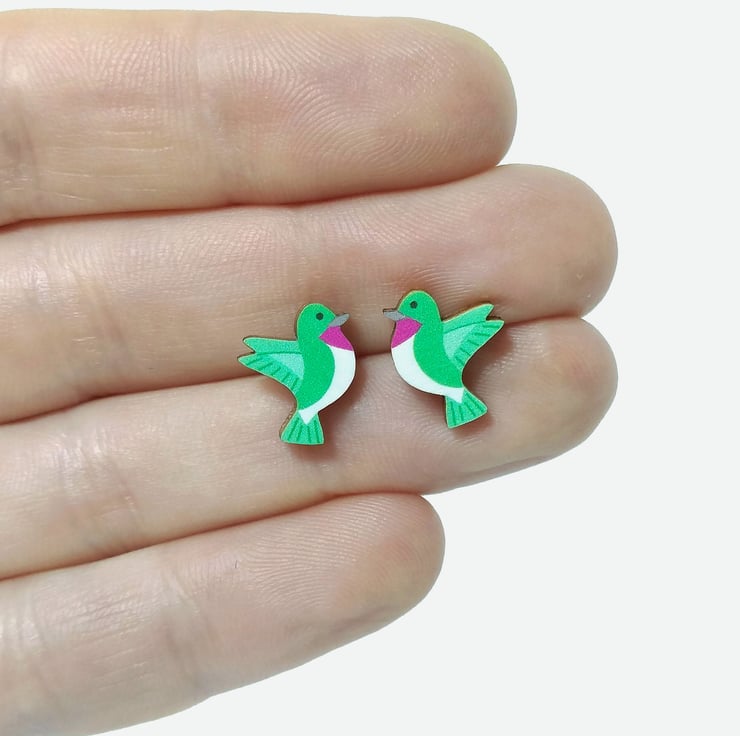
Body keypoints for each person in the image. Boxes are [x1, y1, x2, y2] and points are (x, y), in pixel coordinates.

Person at [0, 9, 617, 735]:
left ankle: (420, 407)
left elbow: (462, 327)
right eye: (326, 324)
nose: (391, 318)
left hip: (423, 392)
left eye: (411, 311)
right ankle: (337, 417)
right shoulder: (333, 353)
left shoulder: (412, 343)